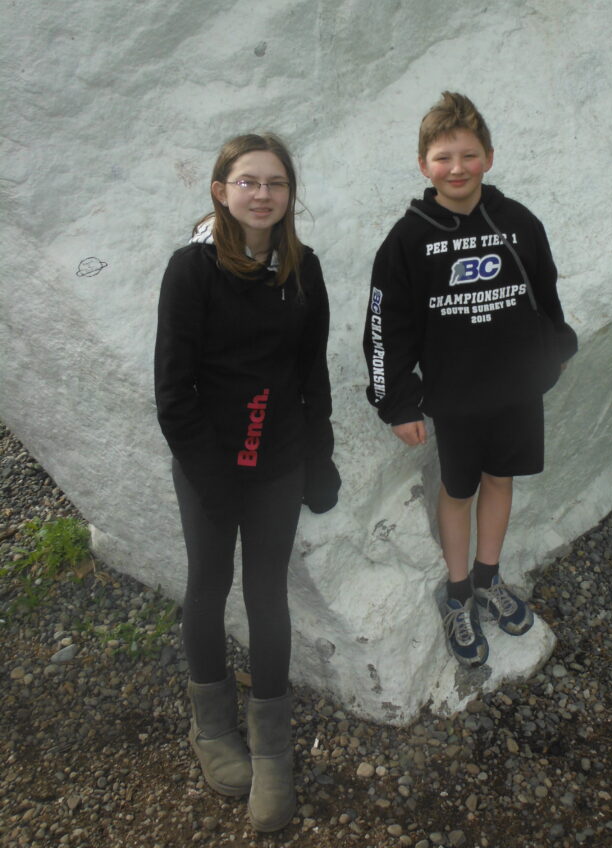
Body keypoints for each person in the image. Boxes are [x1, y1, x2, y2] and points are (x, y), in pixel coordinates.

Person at [154, 133, 340, 832]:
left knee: (267, 594)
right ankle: (211, 728)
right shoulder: (192, 271)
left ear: (290, 195)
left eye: (276, 183)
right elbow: (172, 393)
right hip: (210, 455)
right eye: (247, 181)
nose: (262, 194)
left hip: (279, 455)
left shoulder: (303, 268)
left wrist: (318, 457)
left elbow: (311, 373)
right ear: (220, 190)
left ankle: (272, 751)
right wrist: (214, 480)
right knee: (208, 585)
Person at [363, 92, 576, 667]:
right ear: (423, 165)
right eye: (442, 157)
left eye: (468, 154)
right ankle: (458, 594)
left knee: (500, 480)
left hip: (514, 391)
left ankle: (488, 579)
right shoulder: (408, 239)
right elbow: (386, 328)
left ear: (488, 157)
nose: (456, 168)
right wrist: (397, 402)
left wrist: (555, 349)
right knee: (458, 492)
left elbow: (545, 294)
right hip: (456, 399)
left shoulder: (517, 222)